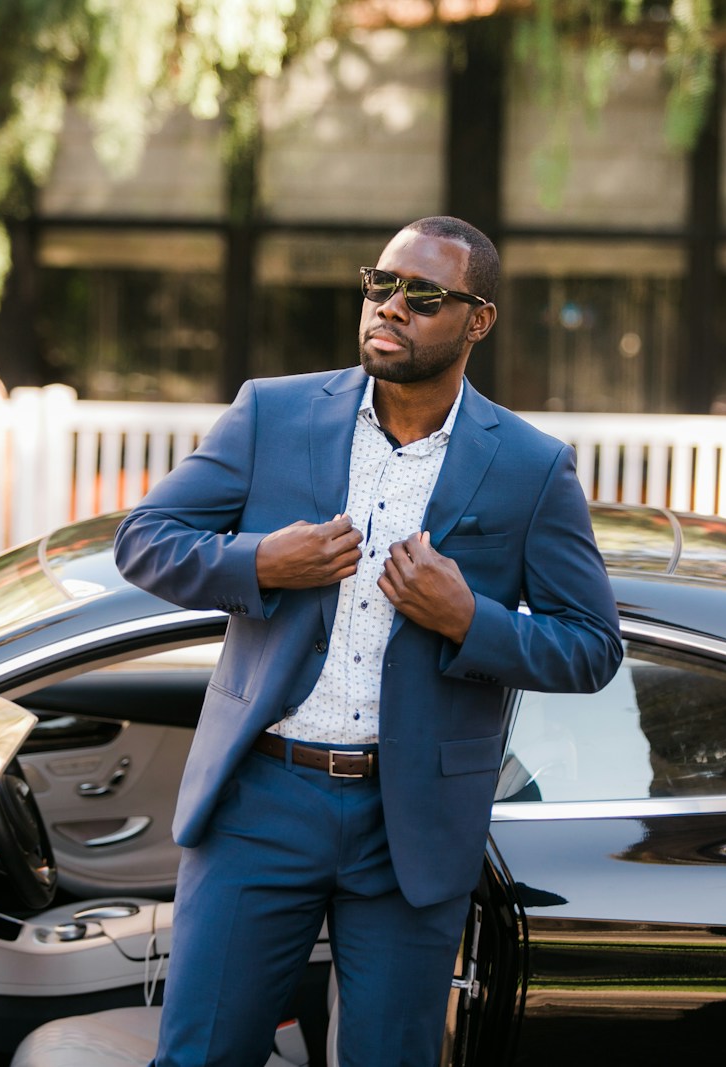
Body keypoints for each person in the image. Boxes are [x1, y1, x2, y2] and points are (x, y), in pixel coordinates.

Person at [113, 215, 622, 1067]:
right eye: (380, 285)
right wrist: (261, 561)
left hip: (411, 822)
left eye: (423, 297)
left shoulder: (532, 468)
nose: (390, 308)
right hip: (260, 798)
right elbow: (144, 539)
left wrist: (470, 619)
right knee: (200, 1055)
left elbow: (591, 646)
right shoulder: (272, 414)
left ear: (478, 320)